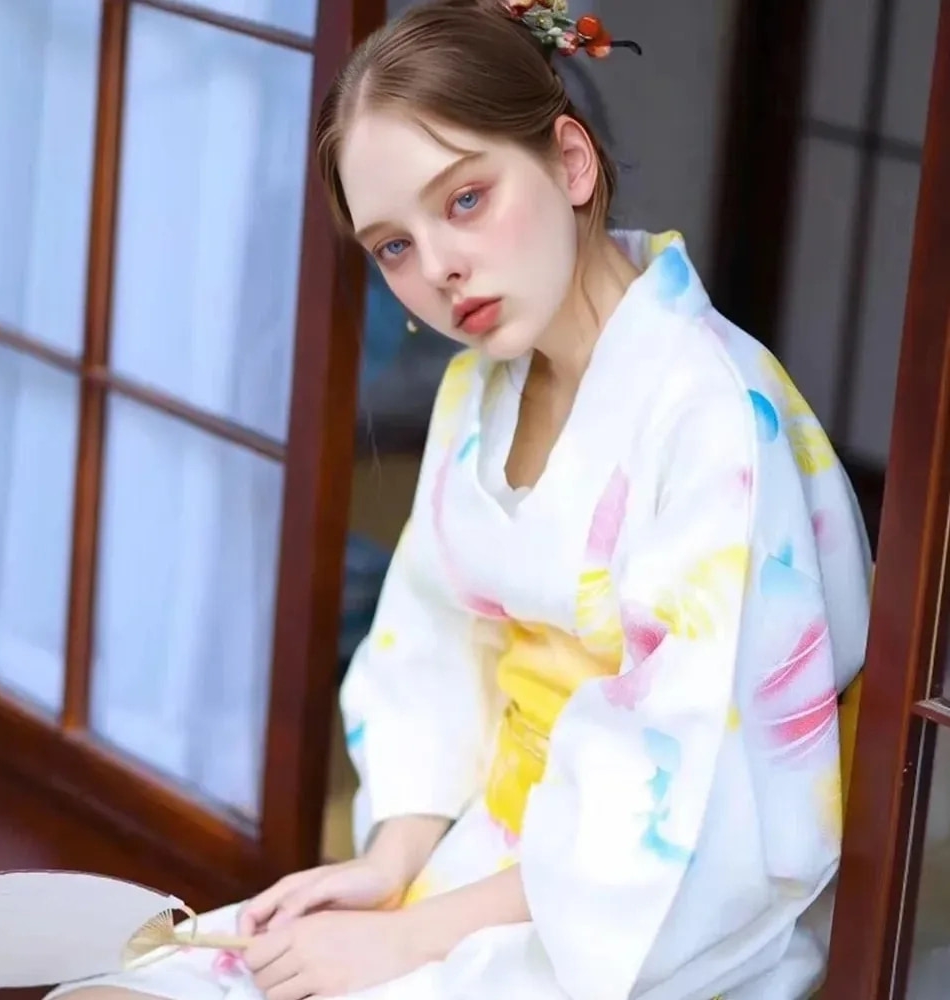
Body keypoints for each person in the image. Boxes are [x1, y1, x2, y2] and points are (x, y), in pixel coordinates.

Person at [46, 0, 873, 997]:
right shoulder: (479, 391)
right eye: (393, 245)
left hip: (642, 917)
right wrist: (388, 864)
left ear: (571, 162)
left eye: (466, 198)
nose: (436, 267)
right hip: (487, 865)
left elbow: (688, 803)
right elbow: (428, 652)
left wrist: (407, 939)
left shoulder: (713, 419)